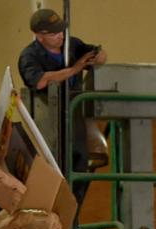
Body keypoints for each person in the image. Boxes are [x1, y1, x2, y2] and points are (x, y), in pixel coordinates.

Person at [18, 8, 107, 208]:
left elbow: (100, 54)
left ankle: (73, 213)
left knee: (81, 165)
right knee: (56, 170)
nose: (60, 36)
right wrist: (74, 69)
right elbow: (40, 81)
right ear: (39, 36)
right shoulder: (29, 56)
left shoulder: (72, 44)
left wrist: (98, 57)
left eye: (61, 31)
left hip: (76, 118)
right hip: (49, 122)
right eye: (53, 33)